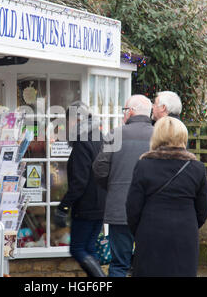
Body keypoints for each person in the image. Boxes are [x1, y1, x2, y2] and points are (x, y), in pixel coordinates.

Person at [126, 116, 207, 277]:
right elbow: (203, 209)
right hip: (185, 233)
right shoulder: (197, 168)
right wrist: (188, 225)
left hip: (150, 232)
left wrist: (140, 230)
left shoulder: (144, 165)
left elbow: (132, 208)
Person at [92, 95, 154, 277]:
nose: (123, 115)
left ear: (132, 112)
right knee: (148, 263)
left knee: (119, 264)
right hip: (150, 209)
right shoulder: (158, 136)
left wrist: (113, 188)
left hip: (119, 209)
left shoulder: (115, 134)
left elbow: (99, 169)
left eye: (124, 110)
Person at [54, 101, 106, 277]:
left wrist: (63, 207)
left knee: (77, 248)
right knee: (89, 247)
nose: (66, 125)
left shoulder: (82, 141)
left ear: (77, 119)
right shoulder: (99, 136)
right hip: (101, 204)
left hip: (87, 206)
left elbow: (79, 182)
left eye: (68, 120)